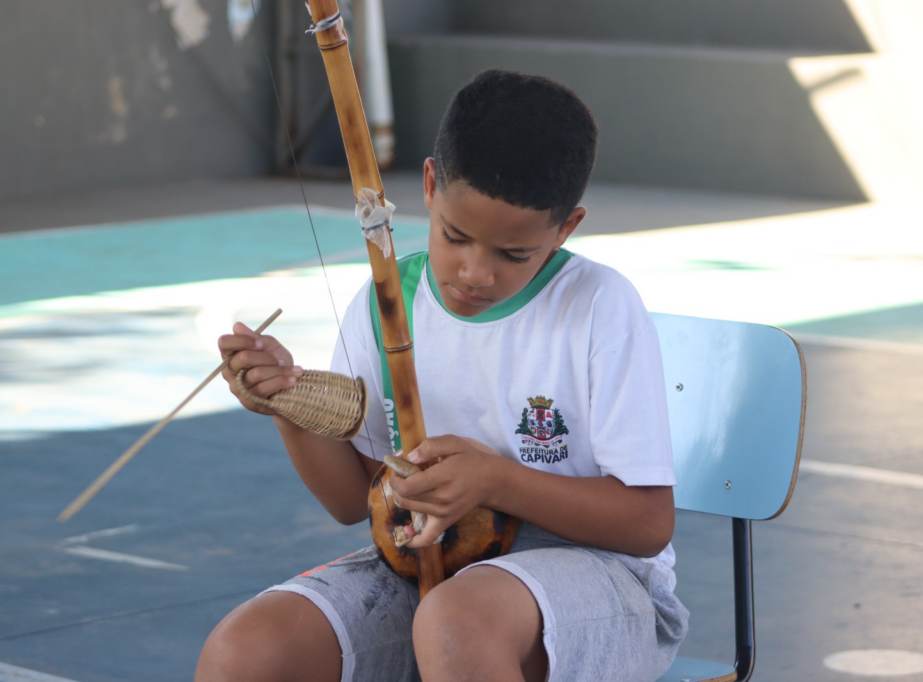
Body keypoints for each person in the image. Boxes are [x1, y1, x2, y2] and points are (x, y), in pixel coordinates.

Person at [195, 69, 688, 682]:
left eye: (514, 255)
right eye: (455, 237)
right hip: (425, 565)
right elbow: (354, 500)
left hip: (601, 577)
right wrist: (288, 406)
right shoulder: (387, 300)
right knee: (246, 651)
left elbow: (645, 525)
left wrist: (495, 482)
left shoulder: (597, 306)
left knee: (456, 625)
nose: (475, 272)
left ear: (566, 228)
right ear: (429, 186)